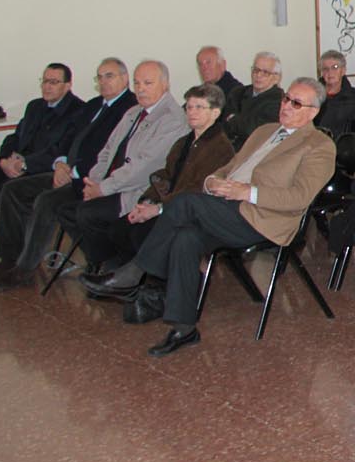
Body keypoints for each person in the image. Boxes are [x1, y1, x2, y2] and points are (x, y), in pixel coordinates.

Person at [83, 78, 337, 357]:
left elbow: (299, 197)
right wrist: (212, 181)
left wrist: (247, 192)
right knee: (185, 238)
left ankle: (133, 273)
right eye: (286, 98)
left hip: (262, 219)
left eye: (296, 103)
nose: (286, 105)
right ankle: (184, 328)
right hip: (225, 207)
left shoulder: (319, 145)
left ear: (313, 111)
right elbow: (228, 168)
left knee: (184, 203)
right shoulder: (264, 131)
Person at [0, 58, 136, 286]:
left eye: (109, 76)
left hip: (92, 179)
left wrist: (75, 171)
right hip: (68, 171)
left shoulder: (130, 108)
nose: (103, 82)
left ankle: (25, 270)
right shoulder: (94, 105)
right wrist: (61, 163)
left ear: (125, 78)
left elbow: (110, 152)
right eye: (99, 77)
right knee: (12, 189)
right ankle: (9, 259)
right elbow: (71, 139)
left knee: (47, 201)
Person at [75, 84, 235, 272]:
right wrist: (147, 201)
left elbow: (197, 189)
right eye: (189, 107)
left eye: (199, 107)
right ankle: (127, 277)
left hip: (189, 213)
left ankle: (145, 281)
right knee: (120, 228)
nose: (192, 112)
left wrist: (158, 209)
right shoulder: (184, 141)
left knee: (139, 233)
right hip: (169, 204)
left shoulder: (220, 148)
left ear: (215, 113)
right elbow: (164, 175)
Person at [0, 63, 84, 217]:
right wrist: (3, 159)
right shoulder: (35, 106)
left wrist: (24, 164)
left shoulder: (78, 111)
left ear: (67, 86)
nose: (47, 87)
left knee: (6, 188)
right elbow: (14, 137)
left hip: (39, 169)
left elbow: (61, 150)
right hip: (15, 163)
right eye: (44, 81)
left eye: (53, 82)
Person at [222, 51, 284, 147]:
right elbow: (223, 125)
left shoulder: (280, 100)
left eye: (265, 72)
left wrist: (233, 120)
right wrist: (241, 122)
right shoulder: (237, 92)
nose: (258, 75)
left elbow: (255, 131)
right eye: (256, 70)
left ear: (276, 78)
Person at [314, 49, 355, 136]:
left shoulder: (353, 95)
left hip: (341, 141)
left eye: (335, 67)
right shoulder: (312, 94)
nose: (330, 72)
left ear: (343, 71)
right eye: (325, 69)